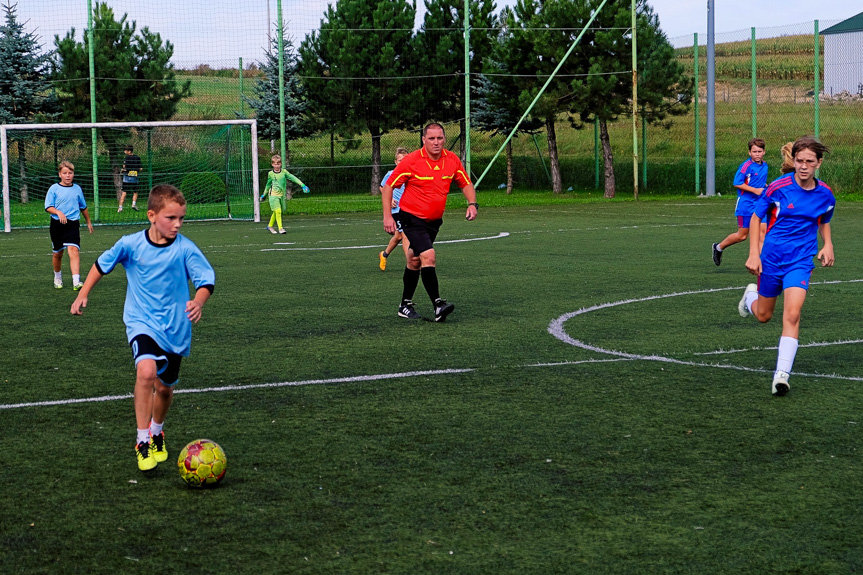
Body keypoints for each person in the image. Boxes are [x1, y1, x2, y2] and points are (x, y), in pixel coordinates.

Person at [70, 184, 215, 471]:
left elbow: (205, 279)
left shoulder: (185, 248)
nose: (177, 224)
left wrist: (198, 301)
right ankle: (142, 440)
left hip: (175, 328)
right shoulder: (130, 244)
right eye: (170, 218)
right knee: (146, 372)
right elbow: (101, 264)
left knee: (164, 389)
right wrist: (83, 292)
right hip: (141, 322)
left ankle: (157, 431)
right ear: (151, 215)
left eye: (181, 219)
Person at [737, 136, 834, 396]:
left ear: (818, 163)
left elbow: (824, 217)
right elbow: (757, 217)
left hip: (801, 260)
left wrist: (828, 244)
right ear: (794, 161)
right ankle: (750, 298)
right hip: (771, 258)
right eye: (799, 160)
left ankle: (781, 375)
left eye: (809, 162)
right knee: (764, 316)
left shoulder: (825, 193)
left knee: (792, 314)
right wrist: (754, 254)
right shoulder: (778, 187)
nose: (803, 166)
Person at [381, 123, 478, 322]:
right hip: (411, 218)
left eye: (440, 138)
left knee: (414, 260)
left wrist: (472, 203)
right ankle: (438, 305)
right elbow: (389, 185)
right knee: (429, 256)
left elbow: (465, 182)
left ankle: (404, 305)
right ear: (423, 140)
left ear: (444, 139)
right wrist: (388, 216)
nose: (436, 142)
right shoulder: (411, 161)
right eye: (431, 138)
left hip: (434, 222)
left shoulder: (451, 160)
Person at [712, 138, 769, 266]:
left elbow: (758, 181)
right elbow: (737, 183)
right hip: (746, 203)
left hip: (760, 202)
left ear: (764, 152)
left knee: (763, 232)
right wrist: (755, 190)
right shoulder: (745, 166)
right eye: (754, 151)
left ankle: (761, 263)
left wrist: (765, 186)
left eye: (760, 151)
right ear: (749, 153)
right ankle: (718, 247)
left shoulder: (765, 165)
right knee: (742, 236)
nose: (757, 154)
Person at [44, 161, 94, 290]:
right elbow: (48, 207)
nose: (68, 176)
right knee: (57, 254)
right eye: (65, 173)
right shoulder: (54, 188)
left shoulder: (77, 189)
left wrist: (88, 222)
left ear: (73, 174)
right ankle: (58, 277)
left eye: (70, 173)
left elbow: (83, 207)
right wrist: (58, 212)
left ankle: (76, 281)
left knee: (73, 250)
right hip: (57, 225)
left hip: (72, 224)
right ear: (60, 174)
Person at [260, 154, 309, 234]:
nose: (276, 166)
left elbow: (293, 177)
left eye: (278, 164)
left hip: (280, 195)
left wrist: (302, 185)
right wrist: (264, 194)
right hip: (272, 195)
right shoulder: (270, 174)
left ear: (281, 164)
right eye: (275, 164)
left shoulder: (284, 172)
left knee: (276, 211)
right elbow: (268, 184)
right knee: (278, 210)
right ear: (272, 164)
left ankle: (269, 226)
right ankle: (281, 228)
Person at [378, 147, 409, 271]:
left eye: (405, 160)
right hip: (396, 211)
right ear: (396, 162)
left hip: (408, 209)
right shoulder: (391, 174)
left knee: (398, 236)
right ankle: (411, 264)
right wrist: (390, 200)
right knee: (405, 235)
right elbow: (382, 187)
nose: (403, 162)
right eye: (400, 160)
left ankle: (384, 254)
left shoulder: (410, 174)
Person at [118, 145, 143, 212]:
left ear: (129, 151)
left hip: (127, 178)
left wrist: (123, 170)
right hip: (135, 178)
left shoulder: (127, 158)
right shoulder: (137, 158)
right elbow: (141, 168)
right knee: (135, 192)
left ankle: (120, 207)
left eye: (125, 150)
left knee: (124, 192)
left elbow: (124, 168)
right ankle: (133, 204)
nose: (124, 151)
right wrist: (134, 170)